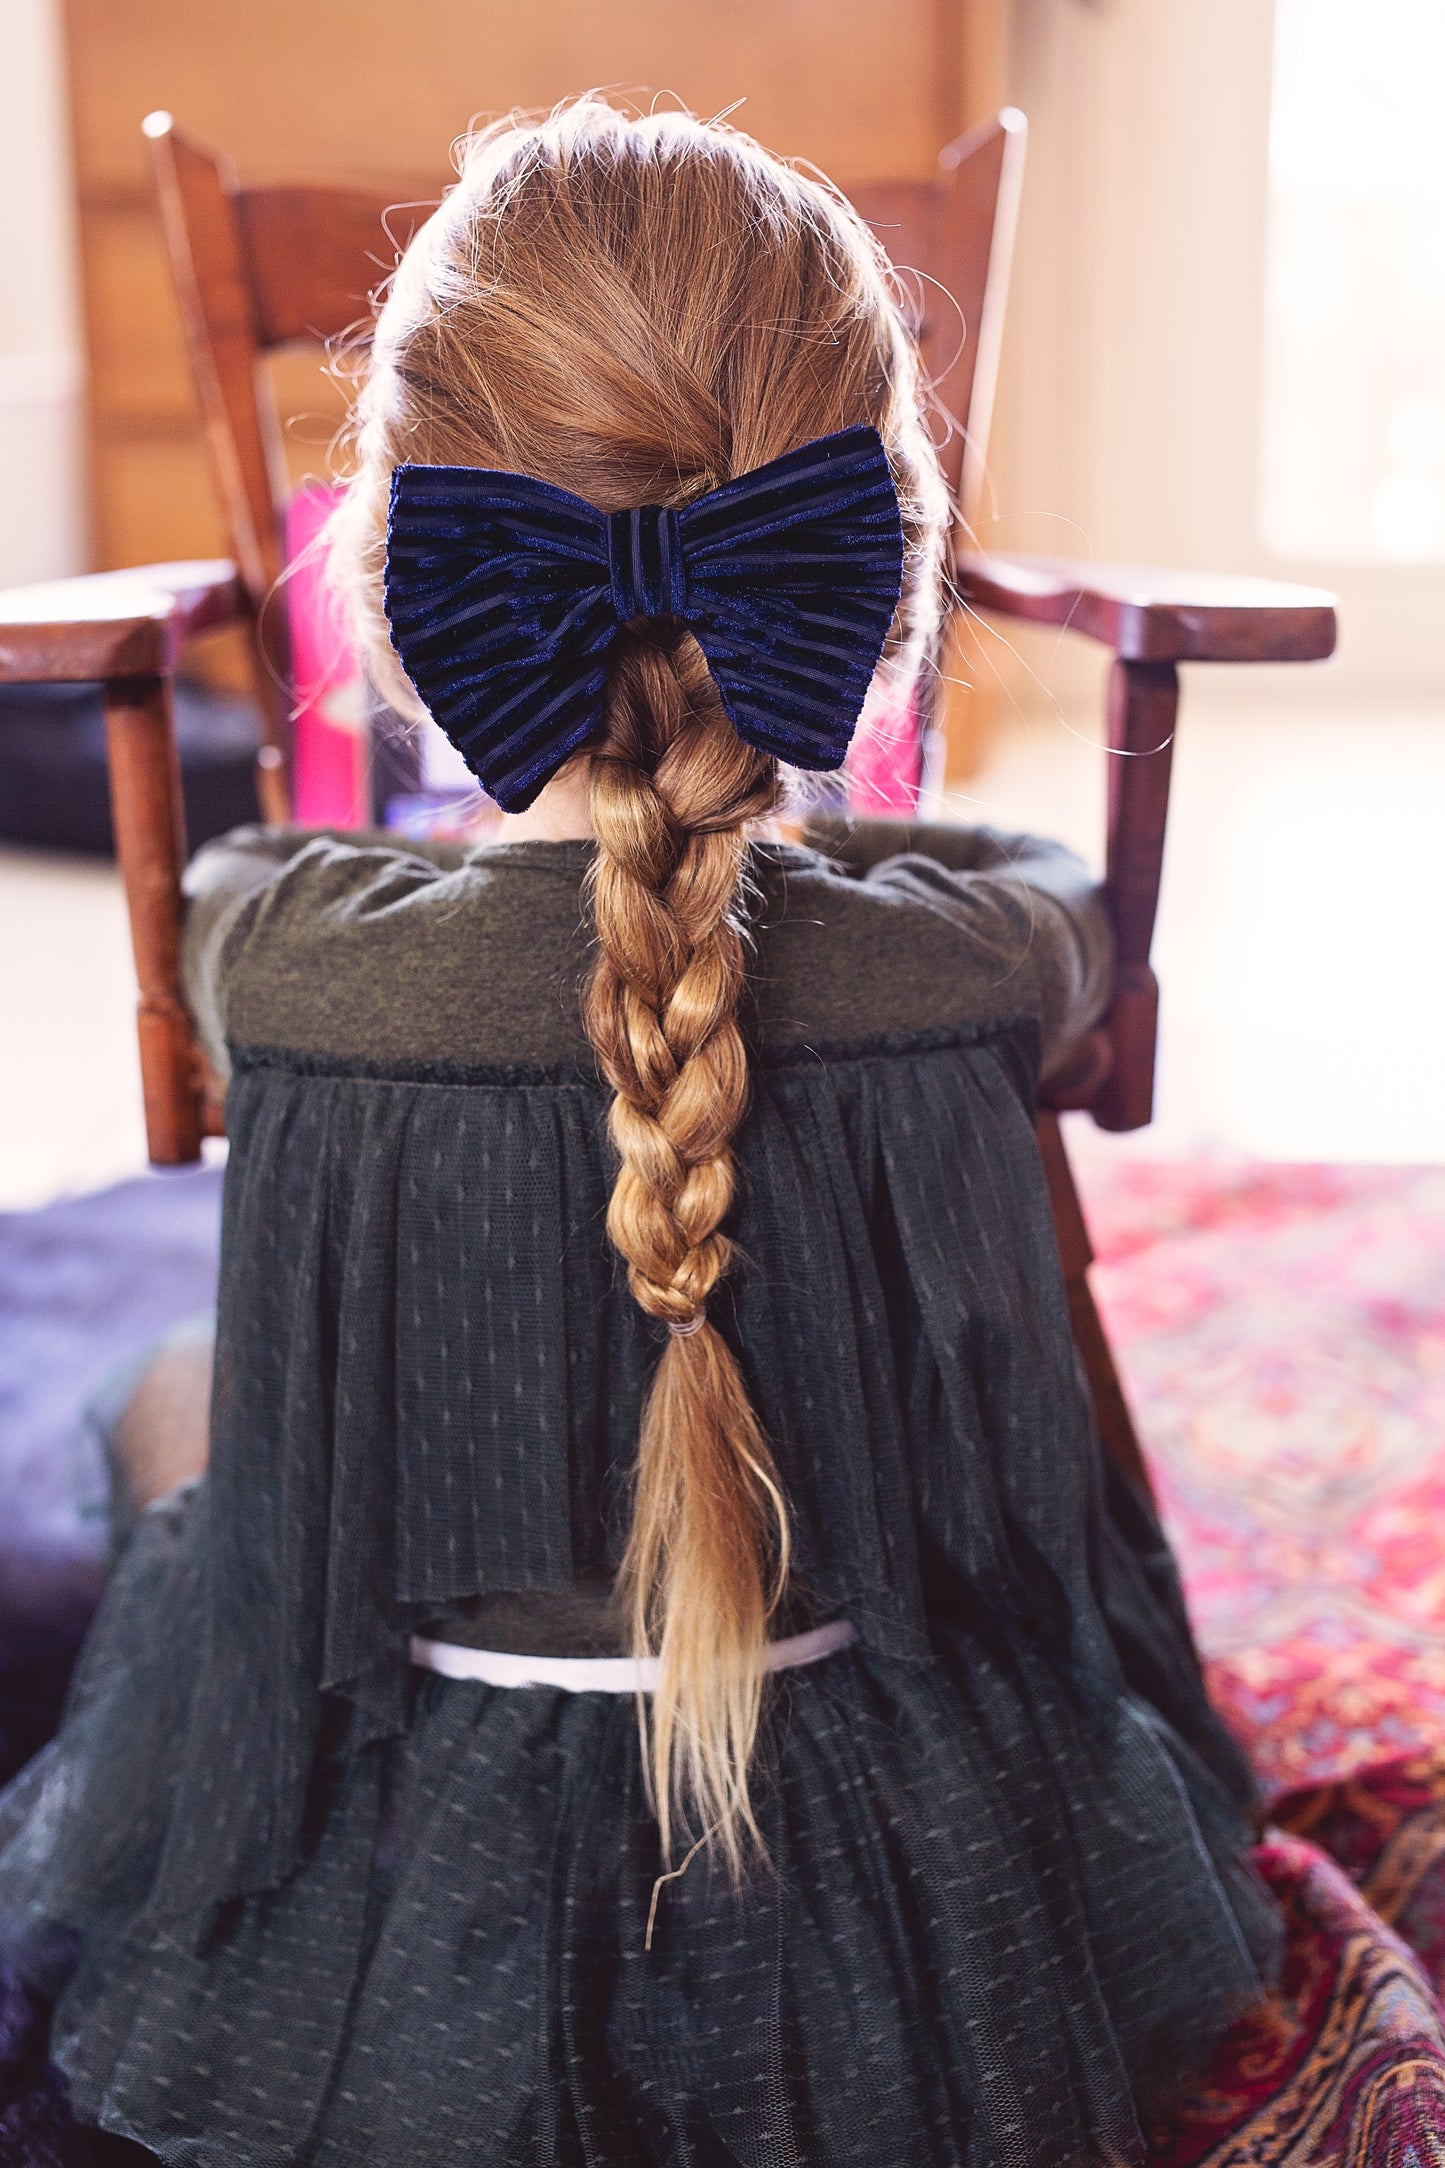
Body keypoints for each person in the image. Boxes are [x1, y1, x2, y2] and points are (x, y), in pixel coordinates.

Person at [0, 100, 1278, 2166]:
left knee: (169, 1399)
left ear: (410, 582)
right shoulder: (972, 954)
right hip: (908, 1885)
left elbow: (231, 884)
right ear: (874, 572)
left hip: (415, 1890)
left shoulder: (286, 953)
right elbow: (1050, 891)